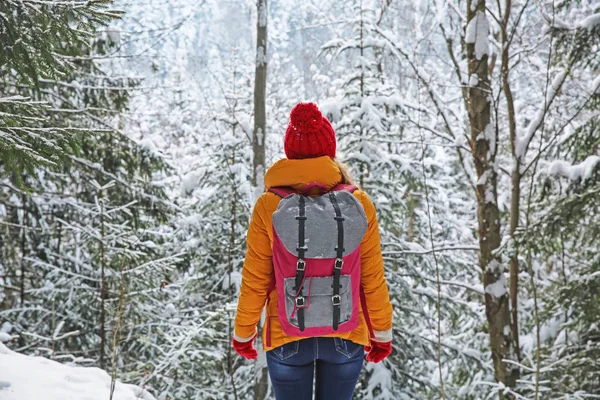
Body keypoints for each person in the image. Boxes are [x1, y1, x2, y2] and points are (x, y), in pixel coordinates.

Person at [232, 102, 394, 400]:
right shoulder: (359, 203)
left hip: (286, 335)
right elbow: (372, 277)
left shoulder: (268, 206)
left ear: (290, 153)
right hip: (346, 335)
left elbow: (256, 278)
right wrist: (381, 333)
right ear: (330, 150)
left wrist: (243, 332)